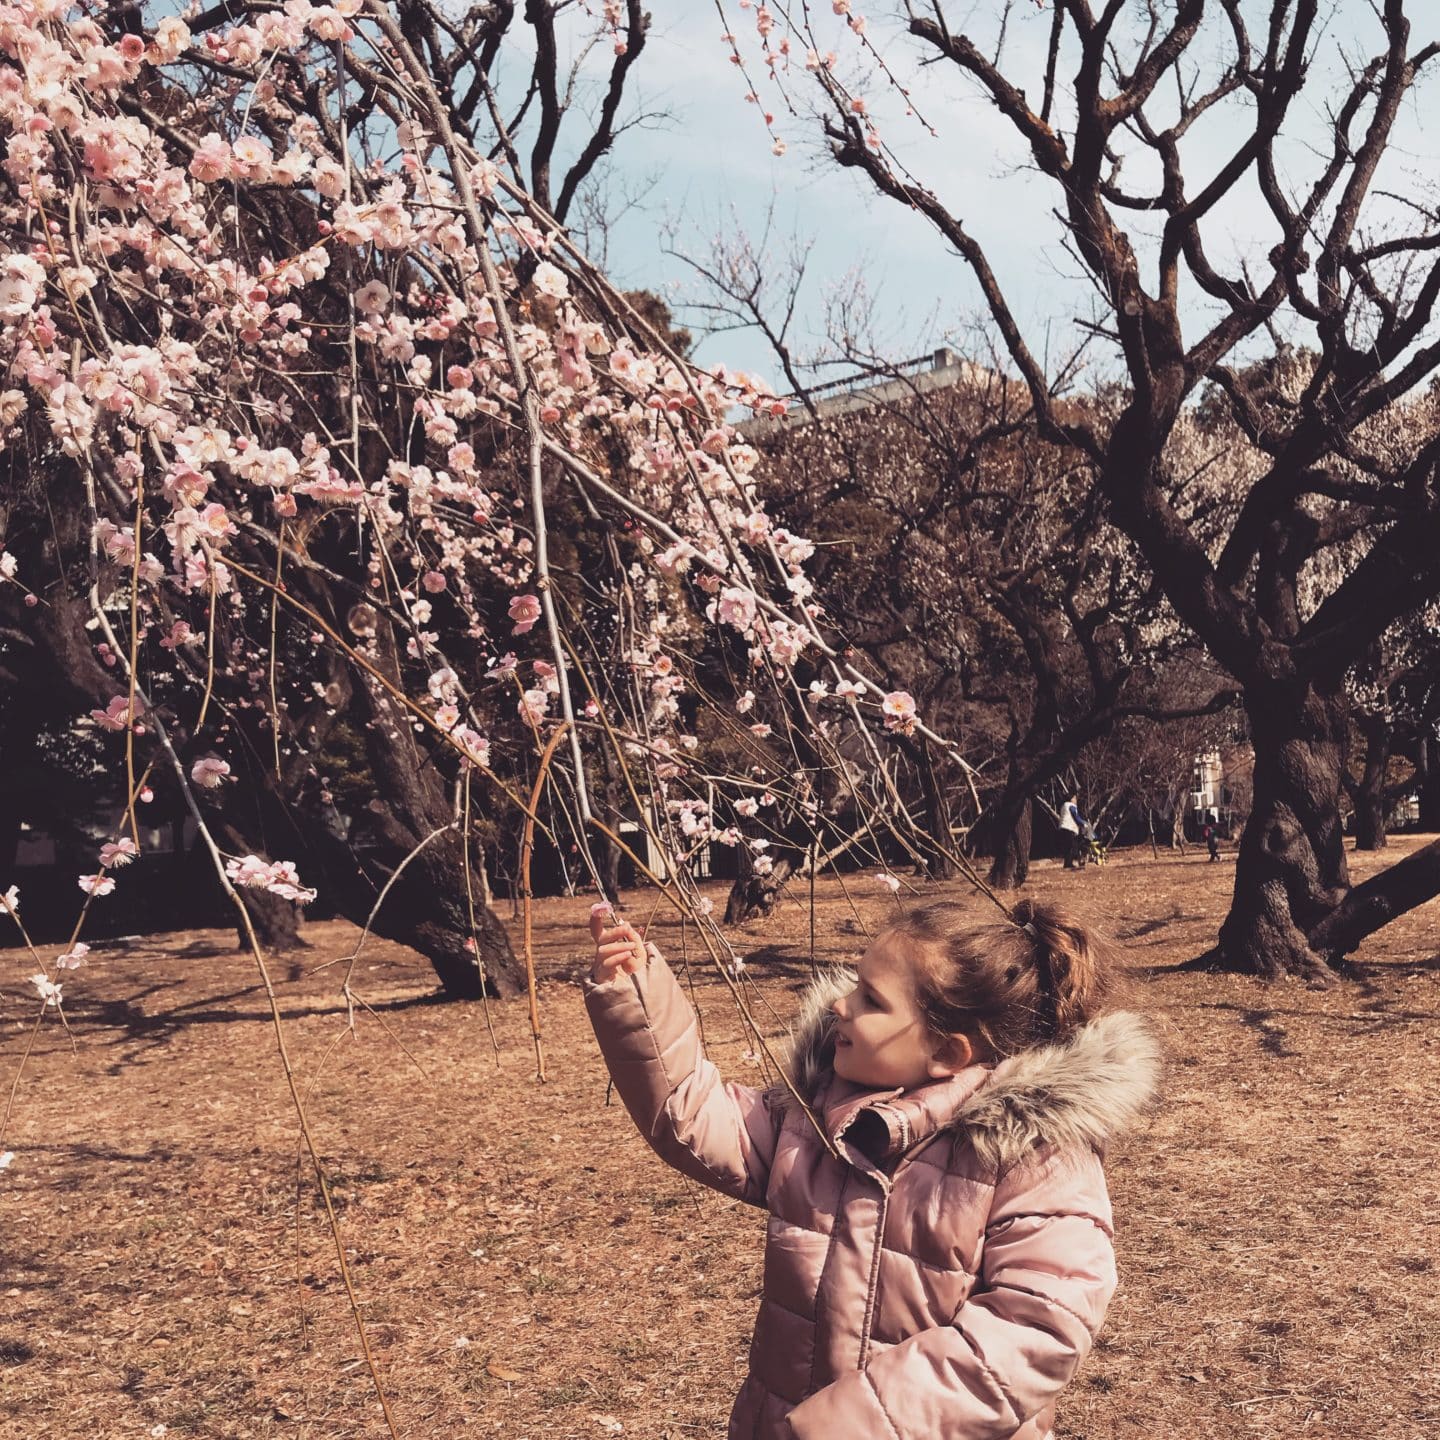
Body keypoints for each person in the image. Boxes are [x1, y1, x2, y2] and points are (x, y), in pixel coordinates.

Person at [585, 897, 1160, 1440]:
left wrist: (858, 1421)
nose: (841, 1004)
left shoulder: (1031, 1154)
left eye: (871, 999)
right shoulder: (814, 1119)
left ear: (947, 1054)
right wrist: (638, 997)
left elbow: (1037, 1324)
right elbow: (691, 1113)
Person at [1059, 792, 1088, 869]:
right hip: (1069, 828)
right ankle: (1069, 864)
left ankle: (1067, 863)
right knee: (1072, 846)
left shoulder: (1063, 806)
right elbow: (1076, 817)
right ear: (1071, 799)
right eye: (1075, 798)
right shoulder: (1071, 806)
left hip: (1062, 828)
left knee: (1067, 846)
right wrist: (1083, 824)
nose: (1076, 800)